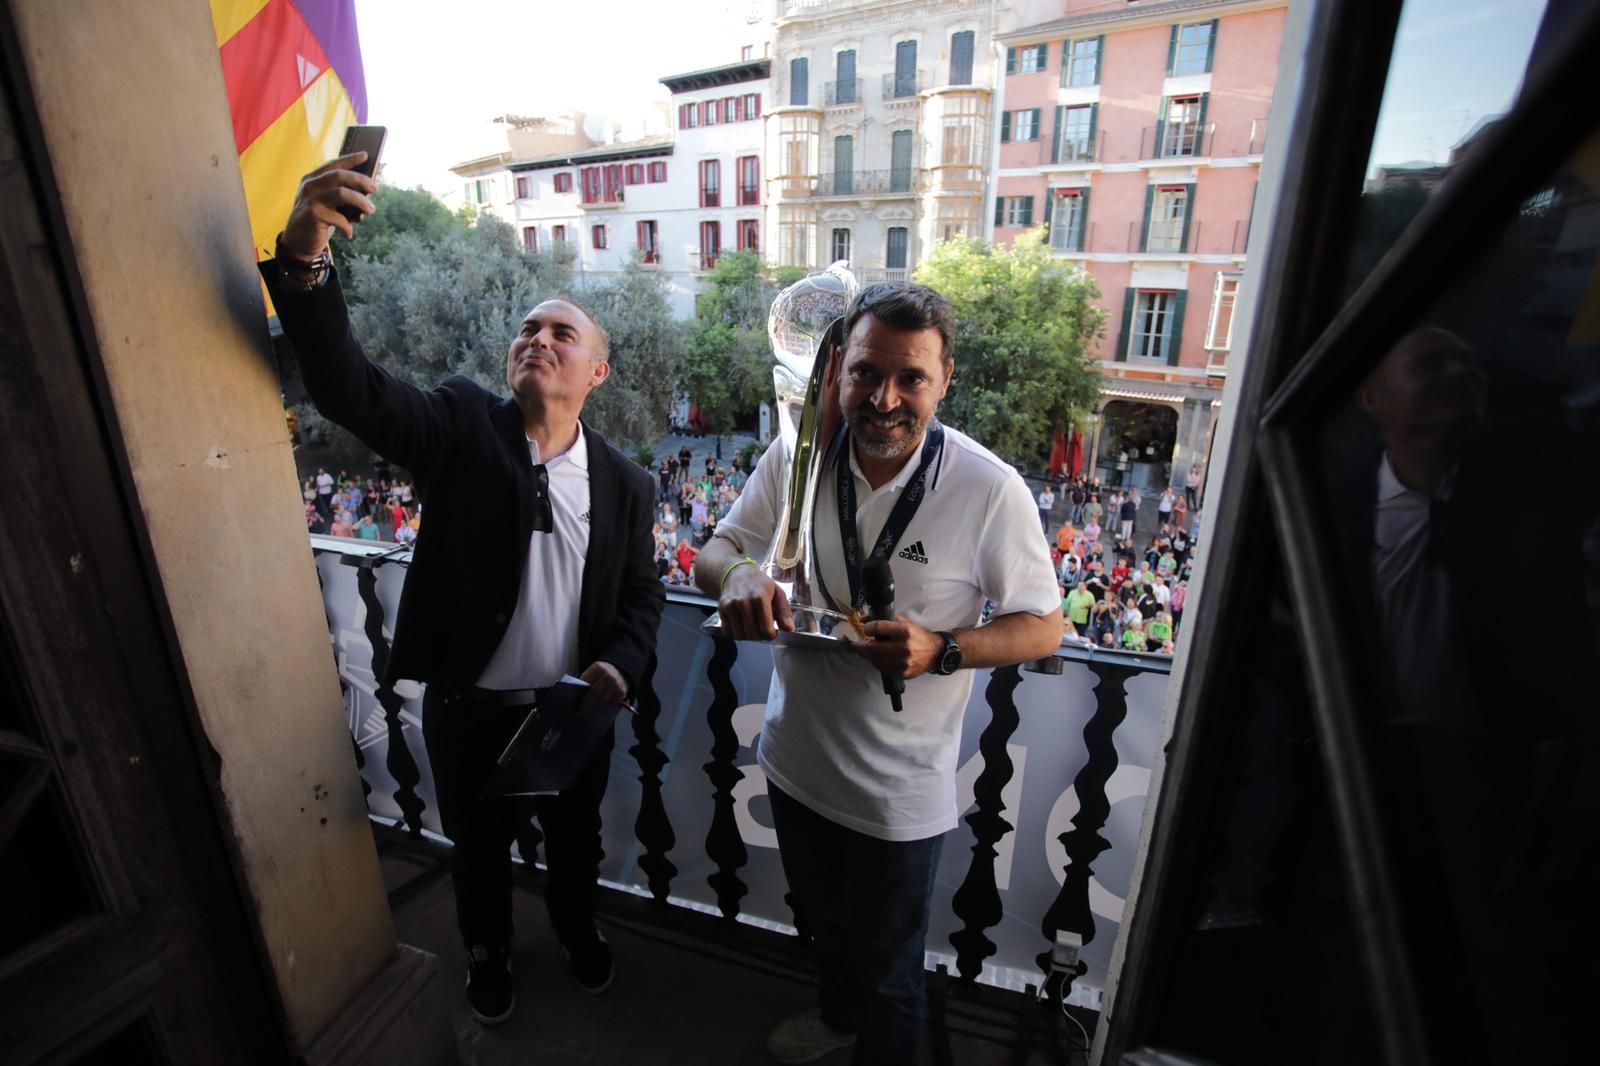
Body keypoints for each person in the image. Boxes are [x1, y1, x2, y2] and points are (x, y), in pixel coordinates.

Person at [262, 151, 663, 1026]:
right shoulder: (458, 427)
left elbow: (641, 600)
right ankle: (485, 953)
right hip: (469, 710)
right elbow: (346, 387)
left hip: (569, 714)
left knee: (575, 846)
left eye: (563, 334)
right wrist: (305, 255)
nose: (539, 339)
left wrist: (620, 668)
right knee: (476, 854)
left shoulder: (628, 487)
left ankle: (575, 929)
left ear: (597, 373)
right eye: (528, 329)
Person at [695, 283, 1062, 1066]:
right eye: (865, 373)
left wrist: (946, 649)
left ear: (945, 379)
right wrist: (737, 579)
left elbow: (1044, 625)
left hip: (898, 798)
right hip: (794, 764)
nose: (885, 399)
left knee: (894, 976)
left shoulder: (987, 487)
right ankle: (835, 1022)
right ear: (837, 370)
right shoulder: (798, 455)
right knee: (822, 928)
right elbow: (716, 551)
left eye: (911, 379)